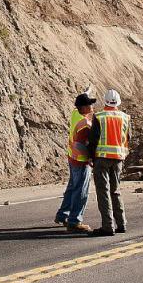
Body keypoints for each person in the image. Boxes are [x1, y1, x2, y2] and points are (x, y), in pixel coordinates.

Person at [87, 89, 131, 236]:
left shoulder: (99, 117)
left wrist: (91, 157)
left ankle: (107, 226)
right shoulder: (125, 117)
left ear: (105, 101)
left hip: (102, 158)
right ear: (118, 102)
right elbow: (128, 137)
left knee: (103, 192)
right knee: (116, 191)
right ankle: (121, 223)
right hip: (118, 158)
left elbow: (93, 140)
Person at [53, 91, 96, 233]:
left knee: (72, 187)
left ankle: (62, 214)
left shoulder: (75, 114)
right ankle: (74, 221)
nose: (92, 107)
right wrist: (90, 159)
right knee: (80, 191)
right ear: (83, 108)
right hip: (81, 160)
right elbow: (82, 144)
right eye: (90, 104)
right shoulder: (84, 123)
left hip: (72, 157)